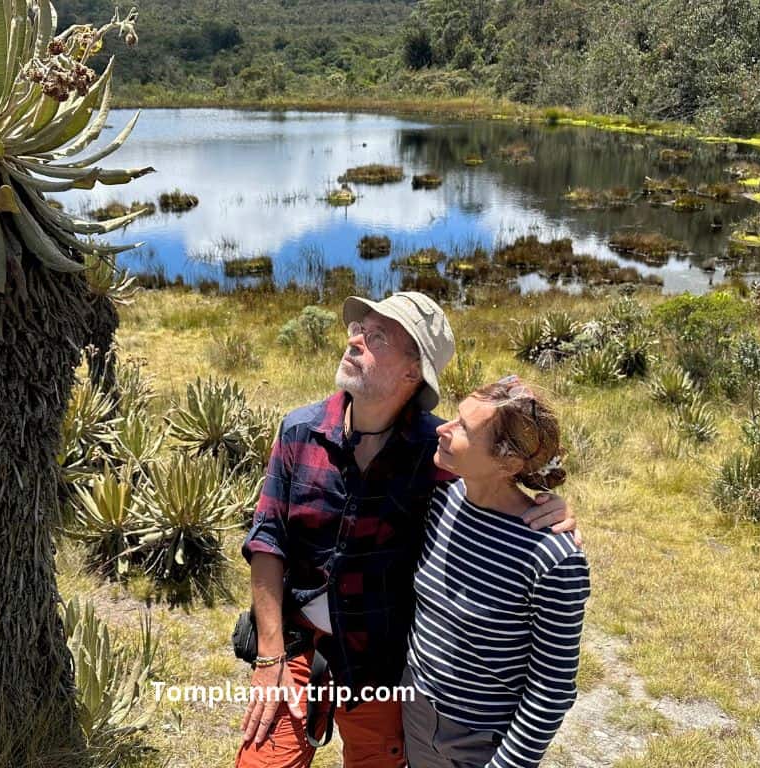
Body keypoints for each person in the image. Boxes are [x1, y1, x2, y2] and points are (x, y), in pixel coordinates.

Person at [235, 293, 580, 768]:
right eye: (358, 329)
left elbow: (501, 485)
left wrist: (550, 514)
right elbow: (267, 540)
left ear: (411, 372)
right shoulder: (299, 431)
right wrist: (269, 656)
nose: (355, 340)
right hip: (294, 647)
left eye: (376, 336)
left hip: (382, 661)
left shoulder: (441, 455)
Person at [402, 376, 590, 768]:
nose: (443, 429)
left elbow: (551, 689)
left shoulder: (552, 556)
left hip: (481, 743)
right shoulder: (441, 501)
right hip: (415, 715)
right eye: (454, 417)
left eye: (464, 429)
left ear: (508, 462)